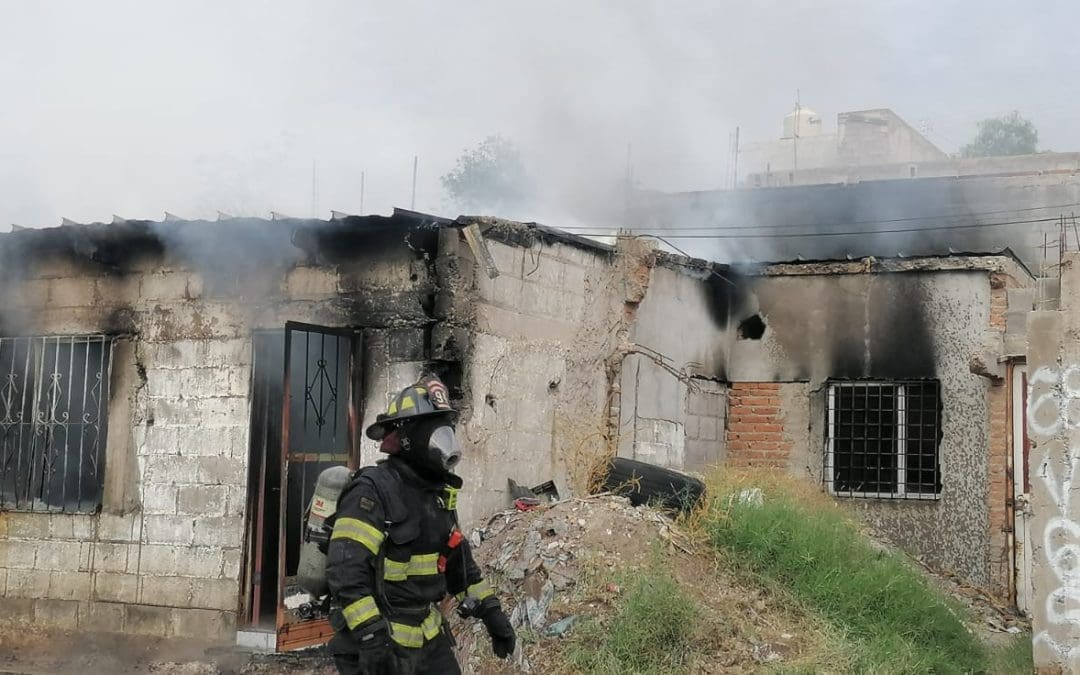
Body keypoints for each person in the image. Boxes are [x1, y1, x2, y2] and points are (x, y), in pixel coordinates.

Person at [325, 375, 516, 675]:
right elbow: (346, 572)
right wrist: (371, 636)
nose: (444, 441)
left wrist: (492, 613)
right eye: (434, 430)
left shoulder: (437, 495)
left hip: (426, 636)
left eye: (446, 429)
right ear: (406, 437)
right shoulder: (372, 491)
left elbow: (460, 567)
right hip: (379, 640)